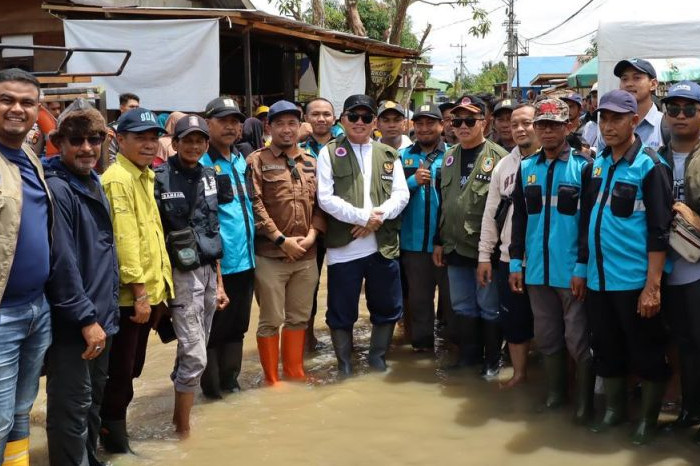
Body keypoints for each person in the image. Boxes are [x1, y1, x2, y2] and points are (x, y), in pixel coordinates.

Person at [583, 90, 673, 444]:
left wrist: (653, 286)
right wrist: (581, 269)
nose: (608, 125)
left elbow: (659, 231)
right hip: (597, 280)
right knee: (606, 347)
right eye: (603, 118)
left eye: (617, 118)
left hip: (635, 281)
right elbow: (587, 221)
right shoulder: (597, 163)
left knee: (647, 351)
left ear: (634, 121)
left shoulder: (650, 166)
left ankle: (647, 421)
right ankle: (614, 411)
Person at [509, 98, 594, 422]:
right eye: (541, 125)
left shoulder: (584, 167)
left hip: (571, 271)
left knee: (578, 340)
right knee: (546, 337)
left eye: (554, 125)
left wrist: (582, 266)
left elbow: (589, 223)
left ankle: (585, 404)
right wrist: (516, 263)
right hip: (536, 273)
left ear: (567, 127)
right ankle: (556, 395)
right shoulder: (527, 168)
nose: (546, 131)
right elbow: (519, 220)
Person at [43, 107, 119, 465]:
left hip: (101, 317)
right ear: (59, 144)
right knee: (71, 410)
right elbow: (63, 263)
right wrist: (86, 319)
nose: (87, 148)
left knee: (92, 405)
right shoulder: (58, 188)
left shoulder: (92, 181)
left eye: (95, 139)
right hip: (77, 323)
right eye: (76, 141)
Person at [317, 94, 409, 375]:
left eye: (366, 117)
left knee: (387, 306)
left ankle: (377, 358)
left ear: (374, 123)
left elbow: (401, 194)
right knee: (340, 311)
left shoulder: (388, 155)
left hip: (381, 245)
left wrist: (376, 218)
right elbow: (325, 198)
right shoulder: (329, 153)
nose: (360, 122)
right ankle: (345, 365)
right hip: (344, 248)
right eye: (353, 116)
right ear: (342, 120)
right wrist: (362, 217)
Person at [99, 107, 173, 454]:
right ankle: (114, 441)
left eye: (152, 137)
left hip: (150, 293)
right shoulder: (118, 179)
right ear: (119, 140)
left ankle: (112, 431)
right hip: (131, 298)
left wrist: (161, 291)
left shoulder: (145, 175)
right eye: (139, 138)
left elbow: (152, 237)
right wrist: (141, 294)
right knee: (121, 374)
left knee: (133, 369)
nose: (148, 144)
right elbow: (125, 240)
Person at [154, 114, 229, 435]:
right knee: (196, 355)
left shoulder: (211, 176)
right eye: (188, 140)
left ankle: (176, 420)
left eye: (200, 140)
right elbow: (154, 236)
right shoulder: (158, 178)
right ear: (175, 143)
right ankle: (183, 432)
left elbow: (213, 231)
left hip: (209, 274)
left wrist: (221, 283)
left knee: (193, 349)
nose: (194, 145)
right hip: (180, 276)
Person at [248, 101, 325, 384]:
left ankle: (294, 372)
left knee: (299, 318)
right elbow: (255, 204)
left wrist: (313, 236)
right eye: (279, 123)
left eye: (292, 123)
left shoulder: (312, 162)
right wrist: (281, 240)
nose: (287, 129)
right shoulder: (256, 160)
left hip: (306, 255)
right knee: (270, 320)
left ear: (300, 125)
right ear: (269, 127)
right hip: (270, 255)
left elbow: (321, 205)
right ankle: (272, 380)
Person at [0, 68, 53, 466]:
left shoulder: (30, 158)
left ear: (38, 111)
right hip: (2, 314)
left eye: (26, 102)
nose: (16, 109)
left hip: (37, 308)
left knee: (21, 411)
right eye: (6, 100)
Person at [433, 95, 507, 377]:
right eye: (457, 120)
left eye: (470, 120)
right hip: (453, 246)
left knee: (489, 306)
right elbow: (445, 200)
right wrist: (438, 241)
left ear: (484, 123)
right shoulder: (449, 156)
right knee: (461, 305)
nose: (462, 126)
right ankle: (469, 358)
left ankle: (492, 362)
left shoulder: (498, 158)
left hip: (483, 250)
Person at [477, 103, 538, 388]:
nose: (519, 129)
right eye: (514, 125)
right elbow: (490, 214)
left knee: (554, 325)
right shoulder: (504, 165)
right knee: (514, 323)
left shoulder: (556, 160)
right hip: (506, 258)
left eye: (526, 123)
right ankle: (519, 374)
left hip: (544, 260)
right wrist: (484, 256)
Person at [200, 97, 256, 398]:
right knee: (211, 331)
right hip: (217, 264)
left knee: (238, 327)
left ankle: (231, 384)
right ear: (208, 123)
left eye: (235, 121)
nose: (231, 126)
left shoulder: (240, 158)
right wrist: (215, 267)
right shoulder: (200, 161)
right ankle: (211, 391)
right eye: (223, 120)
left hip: (246, 261)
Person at [656, 81, 700, 441]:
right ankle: (689, 411)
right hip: (667, 268)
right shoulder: (656, 157)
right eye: (674, 109)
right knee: (683, 343)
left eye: (689, 109)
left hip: (698, 268)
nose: (680, 116)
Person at [399, 103, 451, 352]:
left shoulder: (454, 155)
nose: (424, 128)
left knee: (452, 304)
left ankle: (454, 354)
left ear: (442, 125)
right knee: (419, 303)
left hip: (448, 245)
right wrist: (412, 181)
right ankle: (422, 354)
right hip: (414, 245)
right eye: (419, 123)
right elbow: (390, 195)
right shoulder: (402, 157)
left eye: (430, 122)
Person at [299, 97, 340, 351]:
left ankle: (340, 335)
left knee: (341, 282)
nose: (321, 118)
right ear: (307, 119)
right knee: (308, 285)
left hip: (340, 225)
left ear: (334, 119)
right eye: (315, 114)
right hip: (307, 228)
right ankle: (307, 339)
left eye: (326, 114)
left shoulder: (346, 146)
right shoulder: (296, 148)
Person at [597, 59, 663, 152]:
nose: (629, 84)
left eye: (637, 78)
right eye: (624, 79)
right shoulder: (610, 127)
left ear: (653, 84)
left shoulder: (664, 125)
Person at [106, 93, 140, 165]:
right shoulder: (113, 129)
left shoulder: (141, 128)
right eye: (132, 107)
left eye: (137, 107)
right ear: (121, 108)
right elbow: (111, 158)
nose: (135, 110)